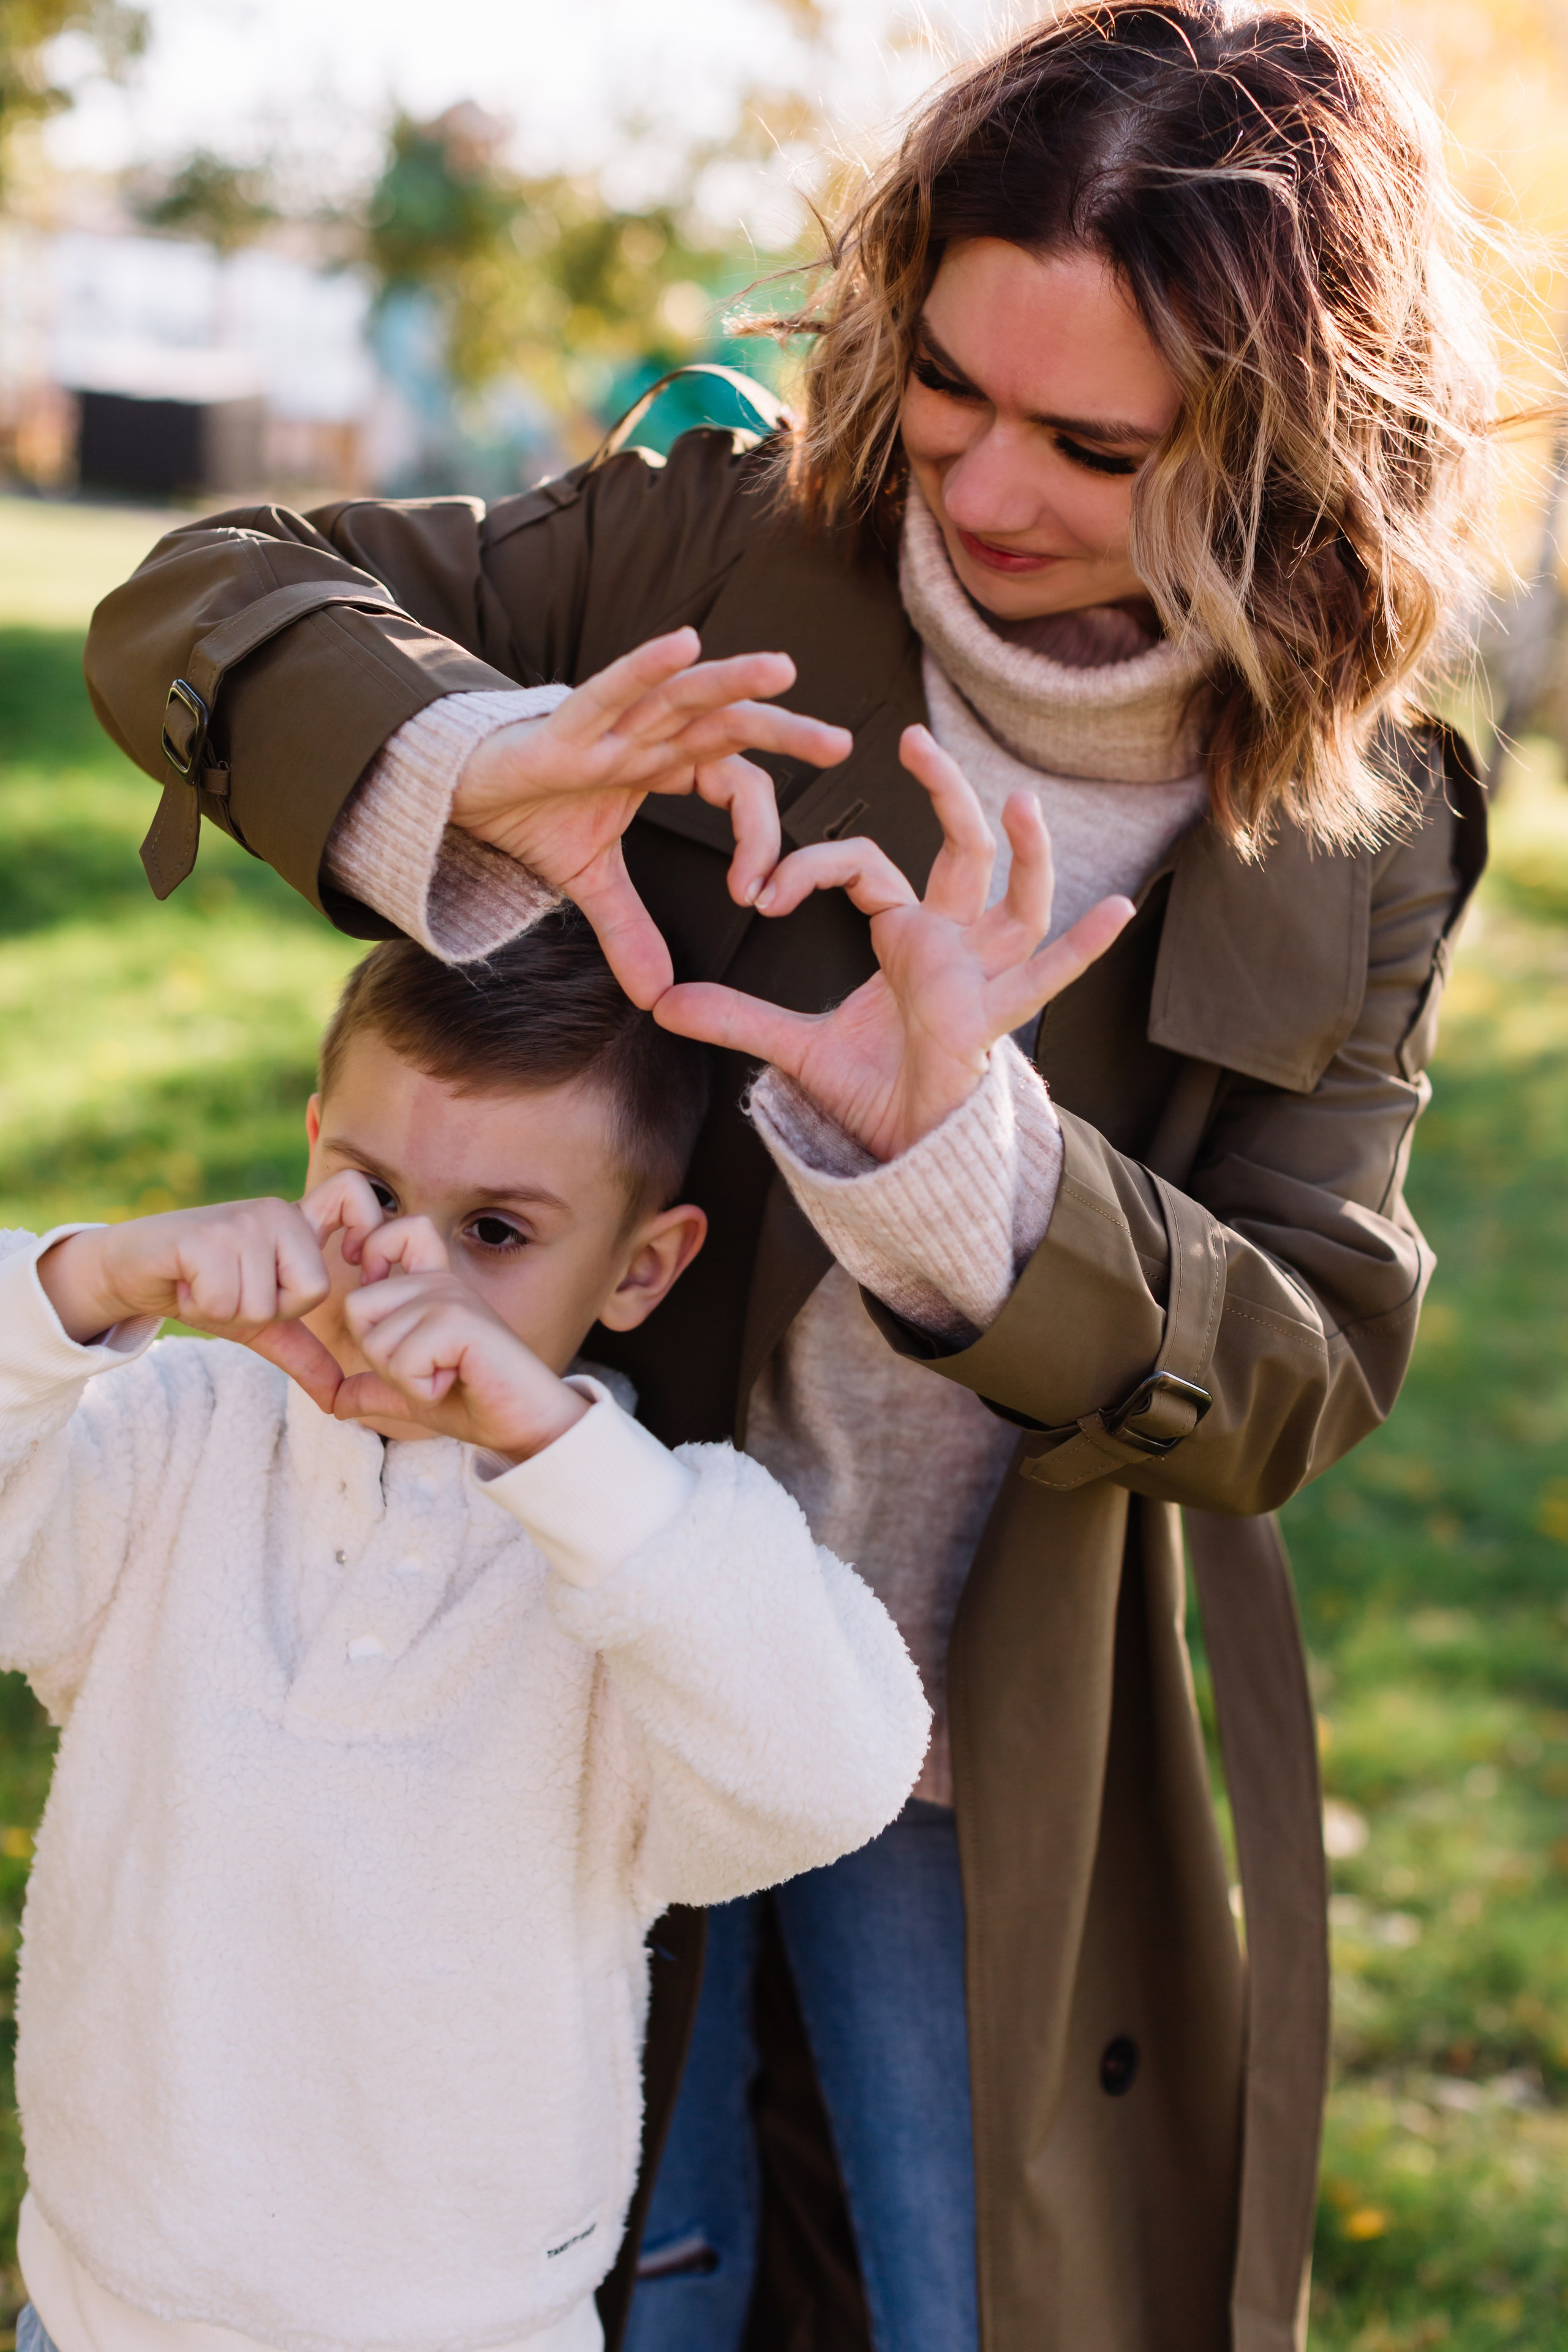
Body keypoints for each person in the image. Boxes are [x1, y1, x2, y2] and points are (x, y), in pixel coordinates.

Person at [81, 4, 1496, 2346]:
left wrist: (970, 1173)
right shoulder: (718, 542)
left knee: (950, 2300)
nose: (987, 483)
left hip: (969, 1734)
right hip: (537, 1621)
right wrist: (474, 752)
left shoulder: (1362, 822)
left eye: (1096, 439)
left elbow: (1300, 1365)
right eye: (950, 382)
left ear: (1285, 436)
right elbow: (196, 603)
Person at [0, 913, 933, 2352]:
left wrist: (549, 1447)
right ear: (309, 1142)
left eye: (495, 1233)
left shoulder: (651, 1556)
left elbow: (827, 1774)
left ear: (639, 1269)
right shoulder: (173, 1438)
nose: (401, 1273)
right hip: (104, 2301)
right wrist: (84, 1289)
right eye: (365, 1186)